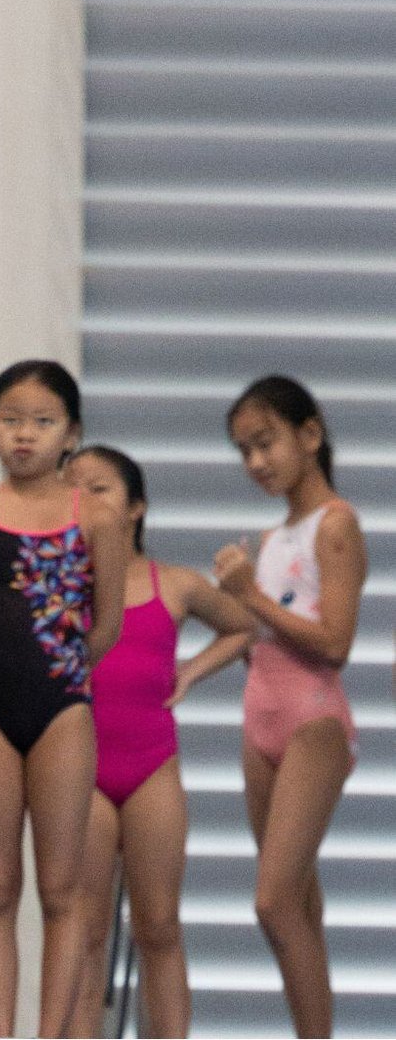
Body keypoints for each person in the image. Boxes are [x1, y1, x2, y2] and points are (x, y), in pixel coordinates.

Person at [0, 360, 126, 1040]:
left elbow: (107, 625)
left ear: (71, 432)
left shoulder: (97, 516)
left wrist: (64, 669)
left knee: (60, 888)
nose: (24, 434)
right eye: (10, 419)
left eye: (42, 422)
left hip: (62, 708)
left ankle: (50, 1034)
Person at [65, 444, 254, 1040]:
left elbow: (242, 627)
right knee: (86, 932)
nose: (83, 499)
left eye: (99, 488)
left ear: (136, 507)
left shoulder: (173, 583)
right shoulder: (62, 587)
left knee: (159, 928)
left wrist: (190, 671)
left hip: (152, 767)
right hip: (81, 771)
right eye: (73, 490)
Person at [215, 375, 368, 1039]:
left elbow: (335, 643)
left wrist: (250, 596)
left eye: (266, 441)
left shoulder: (336, 524)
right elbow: (263, 638)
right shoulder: (273, 536)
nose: (255, 461)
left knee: (273, 902)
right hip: (261, 717)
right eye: (244, 450)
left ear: (310, 435)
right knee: (299, 903)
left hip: (313, 723)